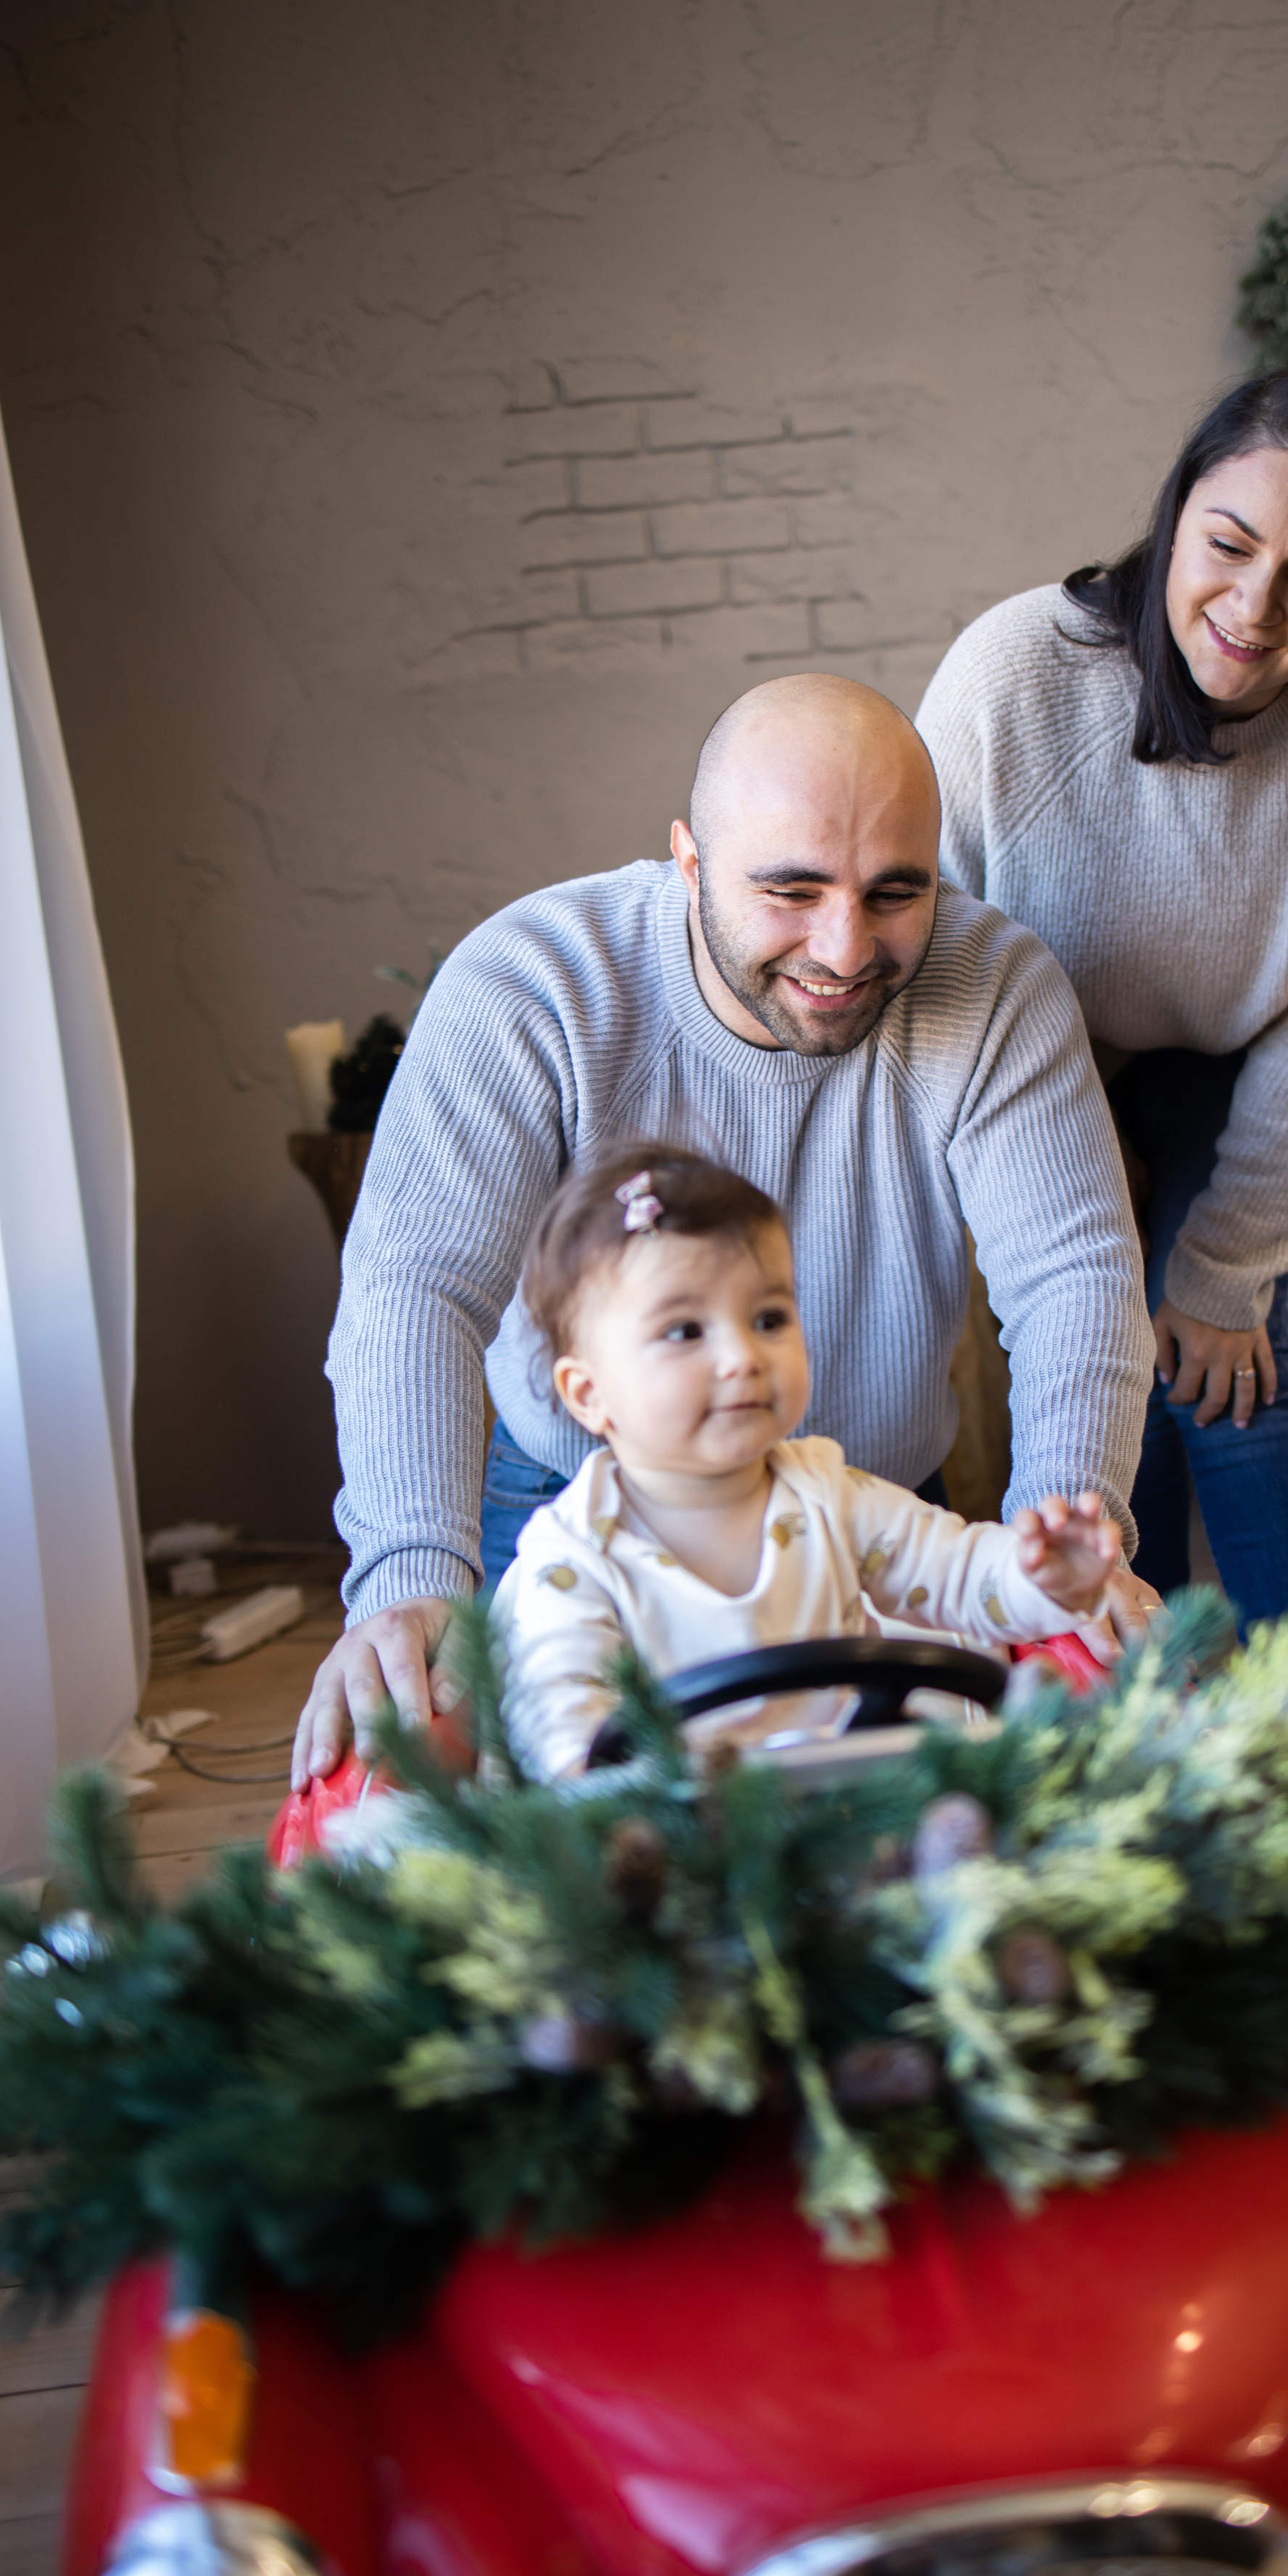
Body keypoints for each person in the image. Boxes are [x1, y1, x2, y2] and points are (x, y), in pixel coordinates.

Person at [292, 673, 1154, 1790]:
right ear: (690, 862)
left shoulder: (996, 989)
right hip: (570, 1507)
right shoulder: (530, 984)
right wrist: (411, 1576)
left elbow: (1074, 1277)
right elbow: (415, 1288)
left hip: (873, 1513)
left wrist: (1068, 1553)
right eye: (792, 891)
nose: (846, 950)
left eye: (895, 893)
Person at [915, 363, 1288, 1649]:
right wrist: (1081, 1163)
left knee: (1229, 1381)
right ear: (1175, 517)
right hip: (1025, 1069)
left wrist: (1222, 1275)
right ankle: (1141, 1703)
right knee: (1113, 1381)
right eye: (1227, 546)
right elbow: (931, 941)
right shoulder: (1019, 674)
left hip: (1228, 1077)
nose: (1253, 609)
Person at [494, 1144, 1122, 1776]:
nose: (743, 1355)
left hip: (856, 1812)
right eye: (686, 1331)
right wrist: (586, 1776)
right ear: (589, 1393)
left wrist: (1039, 1576)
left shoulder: (830, 1496)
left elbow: (959, 1574)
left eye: (768, 1318)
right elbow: (562, 1718)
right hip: (681, 1843)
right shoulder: (576, 1555)